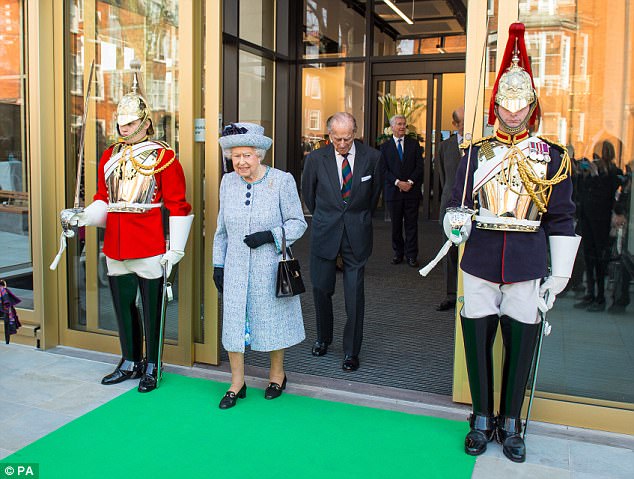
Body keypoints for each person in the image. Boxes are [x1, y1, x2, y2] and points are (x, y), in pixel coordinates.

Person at [445, 23, 579, 463]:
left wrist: (558, 273)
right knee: (477, 338)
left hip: (525, 263)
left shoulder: (552, 156)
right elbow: (455, 203)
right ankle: (482, 417)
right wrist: (455, 222)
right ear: (497, 103)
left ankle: (512, 422)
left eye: (522, 104)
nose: (515, 112)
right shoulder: (475, 151)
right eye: (507, 102)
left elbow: (561, 217)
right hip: (481, 258)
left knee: (521, 345)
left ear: (533, 105)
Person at [62, 83, 193, 393]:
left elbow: (178, 204)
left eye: (132, 122)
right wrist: (82, 216)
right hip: (116, 246)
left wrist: (175, 250)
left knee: (152, 310)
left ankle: (153, 365)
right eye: (122, 123)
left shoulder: (164, 155)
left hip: (149, 245)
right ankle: (130, 360)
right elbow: (102, 200)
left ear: (146, 122)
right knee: (123, 309)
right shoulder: (110, 154)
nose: (125, 128)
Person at [213, 122, 307, 409]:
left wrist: (270, 236)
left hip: (270, 264)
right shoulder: (227, 182)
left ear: (259, 155)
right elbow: (221, 230)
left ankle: (277, 376)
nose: (240, 162)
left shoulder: (281, 180)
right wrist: (218, 264)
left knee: (271, 320)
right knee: (233, 324)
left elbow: (298, 223)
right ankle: (236, 382)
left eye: (247, 155)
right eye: (236, 155)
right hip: (236, 265)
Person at [302, 112, 383, 372]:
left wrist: (355, 219)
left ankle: (351, 351)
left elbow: (374, 198)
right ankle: (323, 337)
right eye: (337, 139)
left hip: (357, 234)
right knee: (321, 290)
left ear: (355, 134)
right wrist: (329, 218)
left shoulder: (373, 158)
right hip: (325, 232)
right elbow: (309, 195)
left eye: (347, 139)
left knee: (354, 296)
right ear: (329, 136)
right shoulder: (315, 159)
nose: (342, 144)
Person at [574, 141, 623, 312]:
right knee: (588, 256)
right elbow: (581, 191)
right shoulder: (595, 172)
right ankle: (591, 293)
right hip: (587, 219)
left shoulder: (614, 173)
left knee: (599, 259)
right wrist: (582, 174)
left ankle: (600, 296)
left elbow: (607, 195)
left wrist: (595, 175)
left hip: (600, 221)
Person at [380, 114, 424, 267]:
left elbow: (420, 167)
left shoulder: (414, 144)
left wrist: (409, 182)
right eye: (398, 124)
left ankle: (411, 255)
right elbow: (383, 170)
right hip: (394, 193)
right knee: (396, 226)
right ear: (392, 127)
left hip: (411, 192)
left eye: (404, 124)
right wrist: (398, 183)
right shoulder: (385, 147)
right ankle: (398, 253)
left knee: (412, 225)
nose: (402, 127)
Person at [436, 106, 465, 311]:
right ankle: (451, 294)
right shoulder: (444, 147)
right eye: (463, 121)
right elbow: (442, 177)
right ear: (454, 125)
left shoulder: (482, 146)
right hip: (450, 207)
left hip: (473, 209)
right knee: (450, 251)